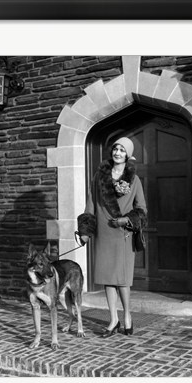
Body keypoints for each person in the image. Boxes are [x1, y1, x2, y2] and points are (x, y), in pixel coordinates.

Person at [77, 137, 147, 337]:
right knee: (108, 277)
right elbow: (90, 204)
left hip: (123, 234)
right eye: (115, 148)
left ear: (128, 155)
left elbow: (142, 209)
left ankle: (127, 316)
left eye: (122, 150)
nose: (117, 153)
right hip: (104, 233)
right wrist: (85, 231)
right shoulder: (99, 177)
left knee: (122, 279)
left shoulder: (134, 179)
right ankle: (113, 319)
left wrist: (127, 220)